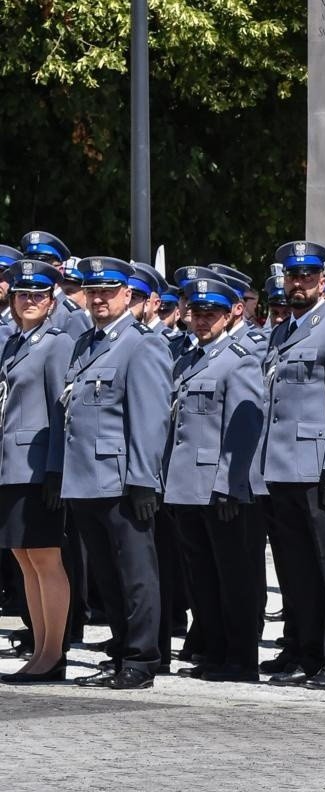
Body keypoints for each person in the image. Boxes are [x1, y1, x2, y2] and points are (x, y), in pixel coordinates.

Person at [258, 240, 325, 692]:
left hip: (321, 467)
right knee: (295, 569)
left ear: (322, 281)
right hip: (282, 468)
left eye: (306, 276)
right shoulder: (283, 332)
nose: (297, 283)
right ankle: (304, 650)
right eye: (291, 276)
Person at [61, 258, 173, 691]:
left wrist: (145, 478)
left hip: (122, 478)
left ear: (128, 295)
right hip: (86, 478)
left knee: (136, 572)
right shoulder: (87, 342)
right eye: (93, 291)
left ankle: (142, 658)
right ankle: (121, 650)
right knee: (107, 575)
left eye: (109, 290)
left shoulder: (140, 344)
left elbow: (149, 418)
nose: (99, 298)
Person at [162, 276, 267, 683]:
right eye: (197, 314)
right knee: (202, 578)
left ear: (229, 315)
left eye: (211, 314)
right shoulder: (189, 359)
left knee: (234, 577)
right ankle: (216, 651)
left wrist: (229, 483)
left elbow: (242, 430)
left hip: (219, 486)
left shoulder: (239, 358)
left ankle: (241, 659)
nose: (202, 321)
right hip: (186, 483)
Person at [0, 261, 74, 684]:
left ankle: (52, 653)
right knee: (24, 558)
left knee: (45, 558)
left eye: (38, 295)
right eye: (22, 294)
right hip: (10, 466)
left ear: (51, 300)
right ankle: (40, 647)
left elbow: (59, 410)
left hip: (36, 466)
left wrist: (54, 469)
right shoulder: (14, 343)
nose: (29, 302)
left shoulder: (56, 344)